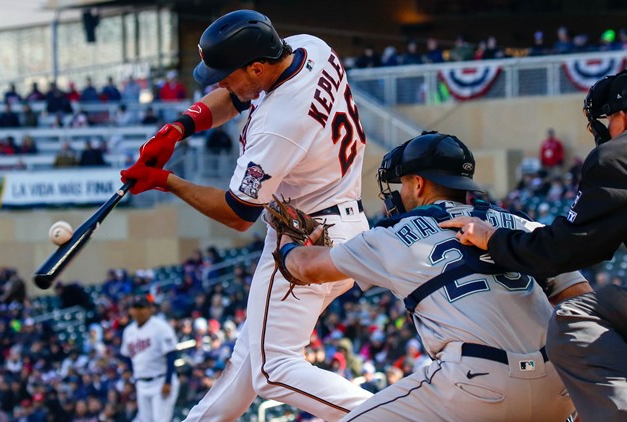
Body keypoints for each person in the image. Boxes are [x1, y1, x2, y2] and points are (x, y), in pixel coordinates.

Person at [119, 9, 372, 420]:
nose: (217, 81)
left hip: (306, 243)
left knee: (272, 370)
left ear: (256, 65)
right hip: (339, 225)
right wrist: (180, 127)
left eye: (226, 72)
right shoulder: (311, 47)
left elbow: (238, 214)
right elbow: (239, 94)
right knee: (247, 364)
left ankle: (392, 414)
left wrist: (167, 181)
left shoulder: (278, 123)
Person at [279, 132, 584, 421]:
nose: (400, 191)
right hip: (557, 386)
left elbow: (305, 268)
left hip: (476, 384)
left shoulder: (392, 234)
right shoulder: (521, 224)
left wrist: (285, 243)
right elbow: (581, 299)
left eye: (403, 183)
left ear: (419, 184)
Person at [440, 70, 627, 421]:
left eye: (611, 118)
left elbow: (562, 250)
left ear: (623, 114)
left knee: (575, 316)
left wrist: (492, 238)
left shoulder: (616, 156)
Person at [120, 296, 179, 422]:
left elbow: (171, 354)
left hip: (161, 380)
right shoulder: (128, 331)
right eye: (135, 308)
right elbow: (127, 356)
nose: (138, 311)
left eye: (141, 308)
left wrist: (168, 381)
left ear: (150, 309)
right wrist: (133, 376)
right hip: (141, 383)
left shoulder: (161, 327)